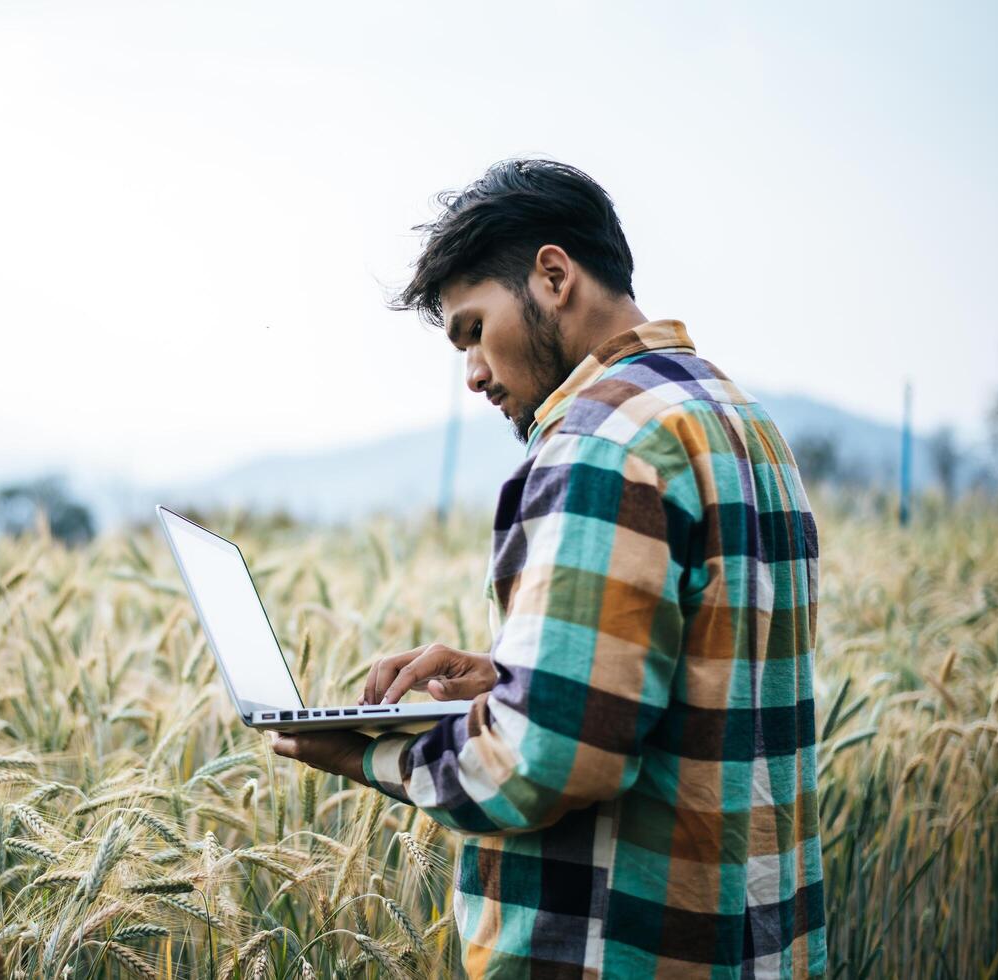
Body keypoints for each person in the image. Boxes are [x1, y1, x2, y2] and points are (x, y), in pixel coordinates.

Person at [269, 159, 826, 978]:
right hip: (755, 945)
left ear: (553, 276)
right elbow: (702, 682)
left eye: (471, 328)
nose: (471, 373)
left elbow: (549, 763)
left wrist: (363, 753)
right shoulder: (735, 419)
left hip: (620, 951)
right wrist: (514, 681)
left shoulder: (600, 443)